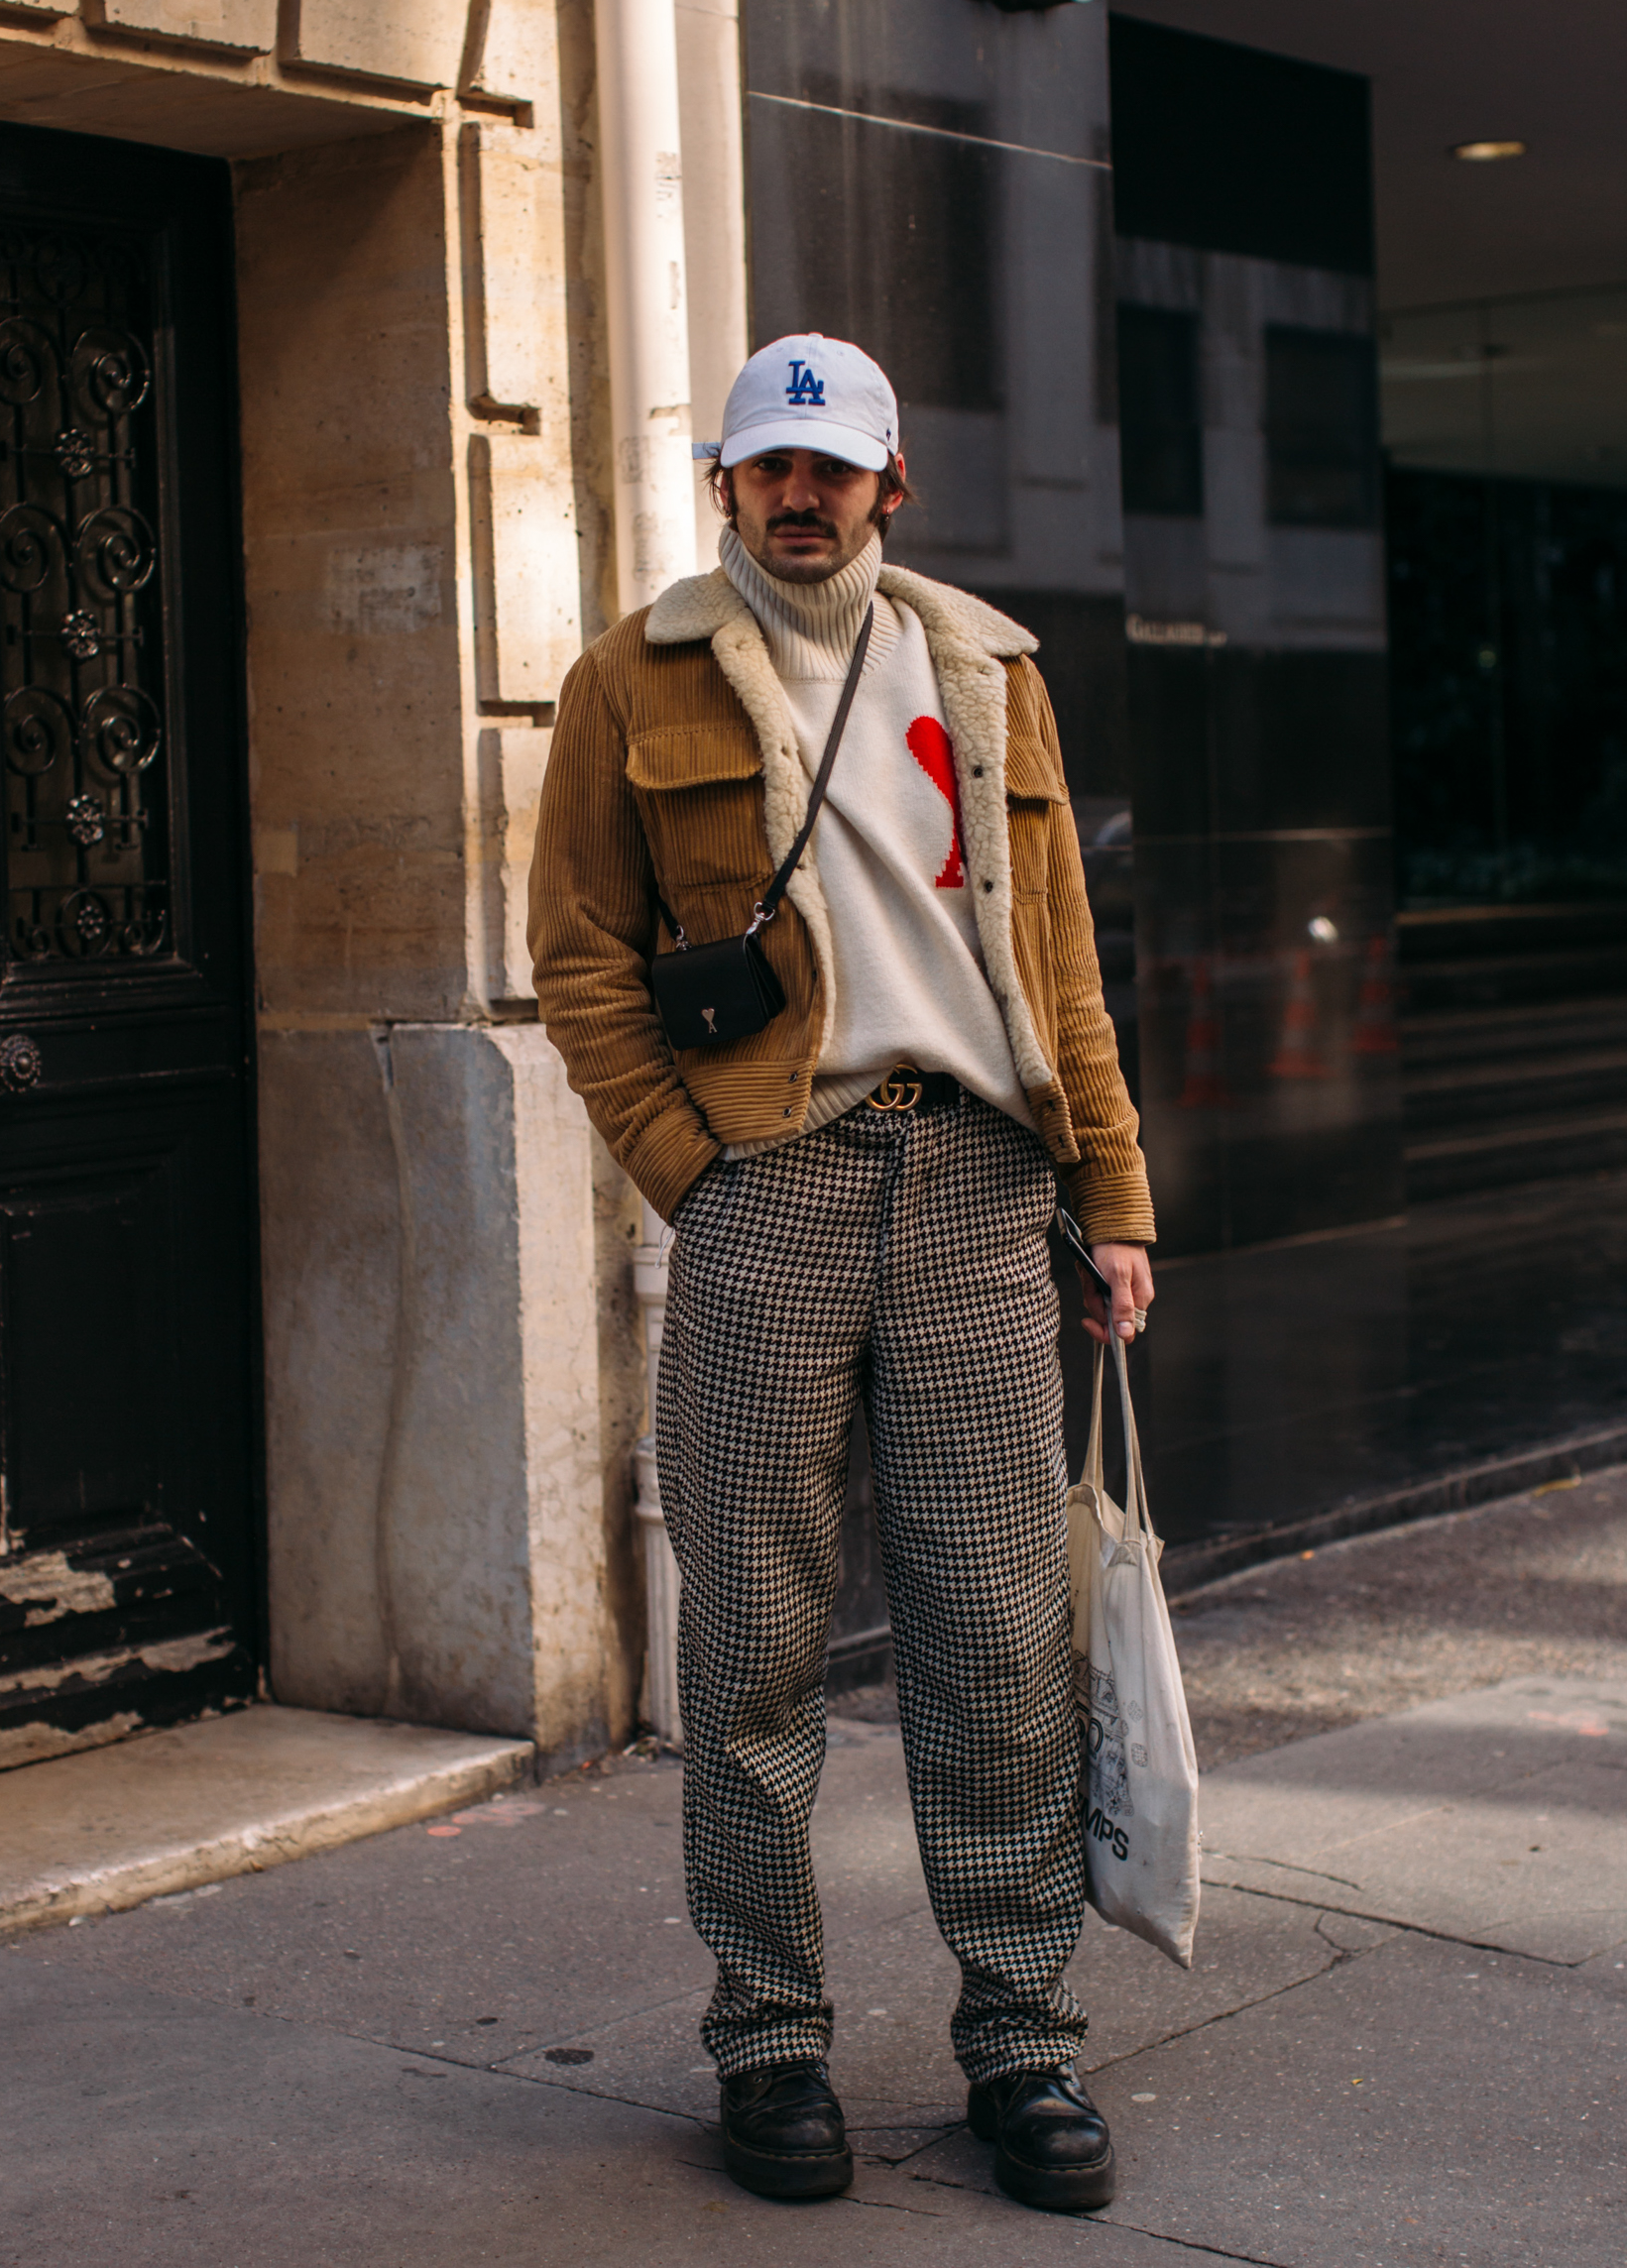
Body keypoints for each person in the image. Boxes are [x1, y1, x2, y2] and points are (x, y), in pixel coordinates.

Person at [528, 333, 1155, 2211]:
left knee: (997, 1635)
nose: (798, 496)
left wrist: (1111, 1193)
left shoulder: (988, 672)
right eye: (764, 467)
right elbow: (578, 957)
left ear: (894, 486)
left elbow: (1060, 961)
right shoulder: (623, 681)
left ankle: (1023, 2048)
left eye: (834, 467)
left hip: (977, 1187)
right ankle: (770, 2041)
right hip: (772, 1185)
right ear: (721, 484)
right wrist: (694, 1174)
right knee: (750, 1643)